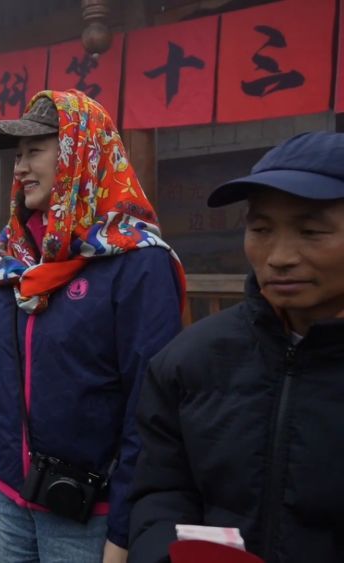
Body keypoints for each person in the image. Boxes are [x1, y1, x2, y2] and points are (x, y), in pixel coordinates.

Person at [0, 90, 186, 563]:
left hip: (89, 512)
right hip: (10, 497)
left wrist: (125, 529)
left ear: (79, 153)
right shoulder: (15, 257)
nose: (21, 168)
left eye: (35, 151)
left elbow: (150, 408)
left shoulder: (136, 263)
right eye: (18, 156)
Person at [128, 132, 344, 563]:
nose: (279, 256)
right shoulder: (189, 360)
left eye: (311, 231)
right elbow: (162, 492)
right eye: (260, 229)